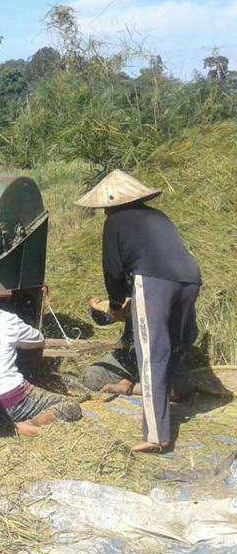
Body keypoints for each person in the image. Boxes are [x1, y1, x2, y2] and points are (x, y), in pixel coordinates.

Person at [75, 169, 201, 453]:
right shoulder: (159, 217)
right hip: (190, 279)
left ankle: (156, 436)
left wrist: (116, 305)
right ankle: (162, 405)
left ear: (109, 203)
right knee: (172, 346)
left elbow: (113, 270)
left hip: (154, 282)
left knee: (151, 353)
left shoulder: (115, 221)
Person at [0, 266, 81, 436]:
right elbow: (37, 339)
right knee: (71, 407)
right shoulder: (5, 319)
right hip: (8, 398)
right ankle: (23, 426)